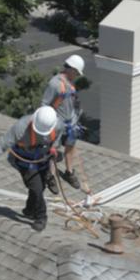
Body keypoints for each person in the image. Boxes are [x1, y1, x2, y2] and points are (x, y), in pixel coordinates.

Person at [0, 106, 60, 232]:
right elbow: (1, 145)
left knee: (40, 187)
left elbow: (58, 137)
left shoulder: (57, 125)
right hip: (24, 161)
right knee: (37, 188)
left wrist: (54, 147)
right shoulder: (21, 128)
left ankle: (29, 210)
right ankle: (41, 217)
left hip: (42, 159)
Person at [42, 54, 85, 189]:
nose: (77, 75)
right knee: (53, 150)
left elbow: (70, 101)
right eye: (76, 73)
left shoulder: (70, 83)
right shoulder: (54, 83)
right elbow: (44, 105)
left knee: (70, 146)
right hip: (57, 123)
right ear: (70, 69)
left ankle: (69, 172)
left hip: (70, 121)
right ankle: (51, 176)